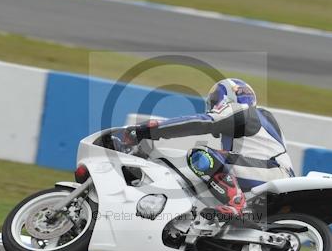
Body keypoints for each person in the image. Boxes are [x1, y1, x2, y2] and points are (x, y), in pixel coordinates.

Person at [125, 78, 295, 219]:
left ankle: (236, 204)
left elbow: (202, 122)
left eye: (214, 102)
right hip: (265, 174)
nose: (213, 107)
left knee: (201, 155)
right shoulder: (253, 122)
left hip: (271, 173)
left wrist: (148, 129)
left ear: (226, 99)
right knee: (201, 180)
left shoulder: (245, 112)